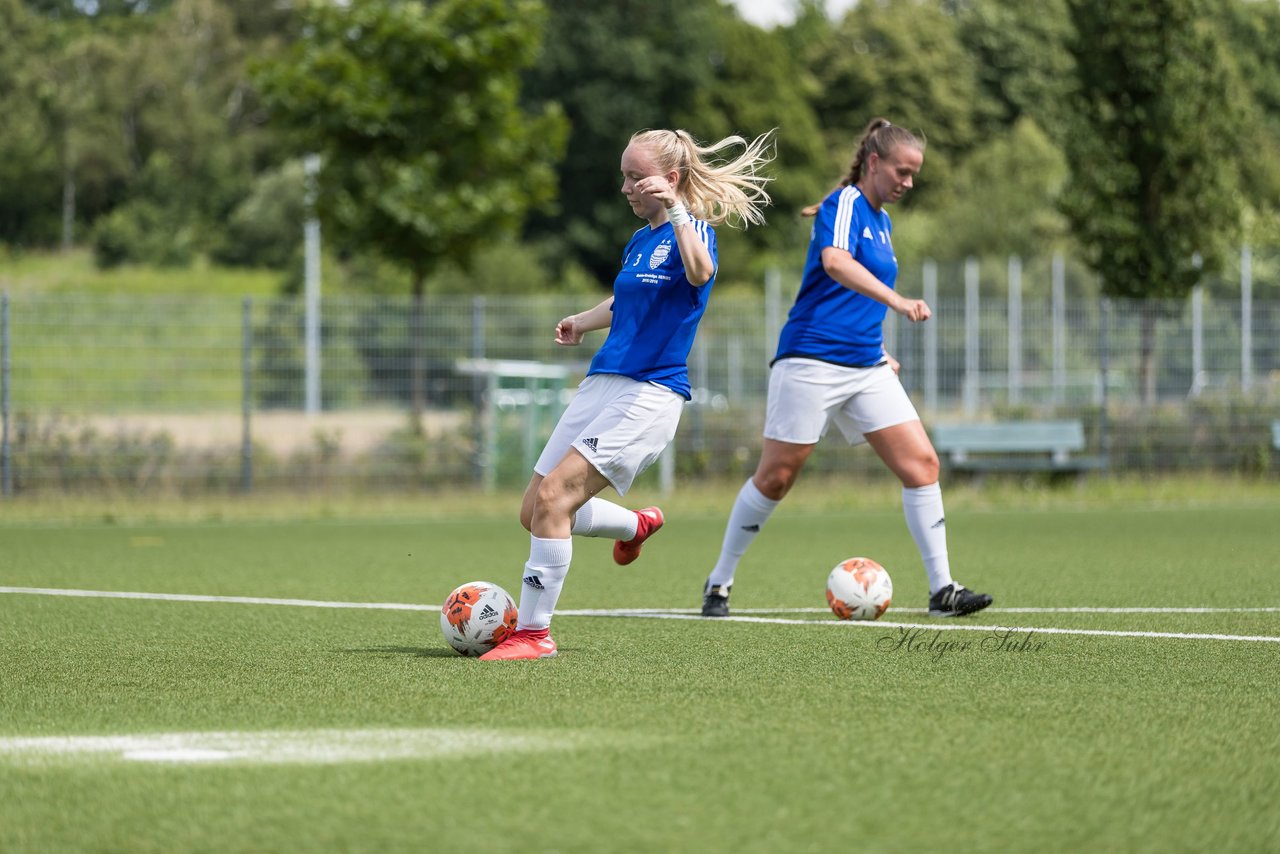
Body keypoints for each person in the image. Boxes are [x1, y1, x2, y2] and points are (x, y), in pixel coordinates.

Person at [481, 127, 775, 661]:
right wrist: (582, 322)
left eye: (636, 178)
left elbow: (699, 271)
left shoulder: (695, 233)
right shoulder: (640, 240)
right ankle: (636, 524)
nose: (626, 188)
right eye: (625, 177)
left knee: (554, 501)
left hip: (649, 393)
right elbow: (624, 303)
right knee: (534, 510)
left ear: (671, 181)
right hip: (601, 383)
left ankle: (534, 633)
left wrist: (681, 211)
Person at [701, 118, 992, 619]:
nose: (908, 182)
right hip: (811, 359)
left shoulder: (883, 222)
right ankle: (719, 582)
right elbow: (835, 263)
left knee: (922, 466)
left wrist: (878, 349)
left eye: (914, 174)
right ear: (874, 163)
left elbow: (851, 299)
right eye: (902, 171)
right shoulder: (845, 205)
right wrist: (898, 302)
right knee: (775, 479)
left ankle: (943, 590)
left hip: (866, 365)